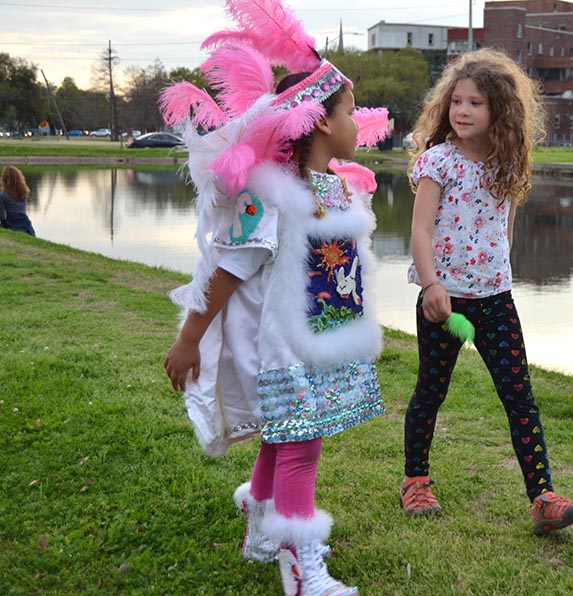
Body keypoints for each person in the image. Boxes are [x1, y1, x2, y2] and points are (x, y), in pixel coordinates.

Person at [161, 1, 388, 594]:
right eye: (348, 110)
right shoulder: (269, 196)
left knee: (285, 436)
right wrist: (189, 339)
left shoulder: (333, 188)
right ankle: (300, 565)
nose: (358, 120)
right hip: (283, 348)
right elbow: (226, 269)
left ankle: (263, 527)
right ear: (319, 122)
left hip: (321, 341)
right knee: (299, 446)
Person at [400, 48, 573, 537]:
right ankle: (416, 481)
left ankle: (543, 497)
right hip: (443, 300)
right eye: (456, 101)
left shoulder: (509, 165)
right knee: (431, 391)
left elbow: (502, 232)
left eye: (475, 104)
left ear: (500, 112)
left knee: (519, 395)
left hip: (495, 301)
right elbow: (420, 232)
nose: (461, 111)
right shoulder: (437, 162)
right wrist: (431, 285)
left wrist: (495, 277)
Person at [1, 166, 35, 236]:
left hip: (12, 224)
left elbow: (1, 217)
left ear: (5, 179)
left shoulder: (3, 196)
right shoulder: (23, 193)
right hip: (26, 224)